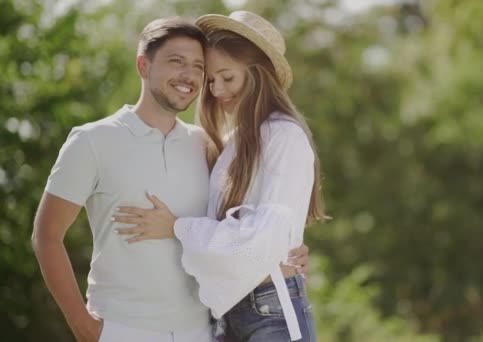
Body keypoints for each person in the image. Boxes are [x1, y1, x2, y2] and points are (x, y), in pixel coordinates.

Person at [32, 16, 309, 342]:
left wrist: (287, 252)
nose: (189, 75)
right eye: (176, 62)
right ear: (143, 65)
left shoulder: (207, 146)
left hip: (202, 332)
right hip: (122, 329)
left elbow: (250, 218)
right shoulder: (92, 141)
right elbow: (46, 236)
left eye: (197, 67)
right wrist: (84, 327)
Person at [112, 10, 325, 342]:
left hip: (272, 311)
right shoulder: (231, 144)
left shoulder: (284, 137)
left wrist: (176, 227)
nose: (217, 89)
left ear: (258, 76)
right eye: (211, 80)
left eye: (227, 77)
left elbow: (263, 237)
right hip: (227, 313)